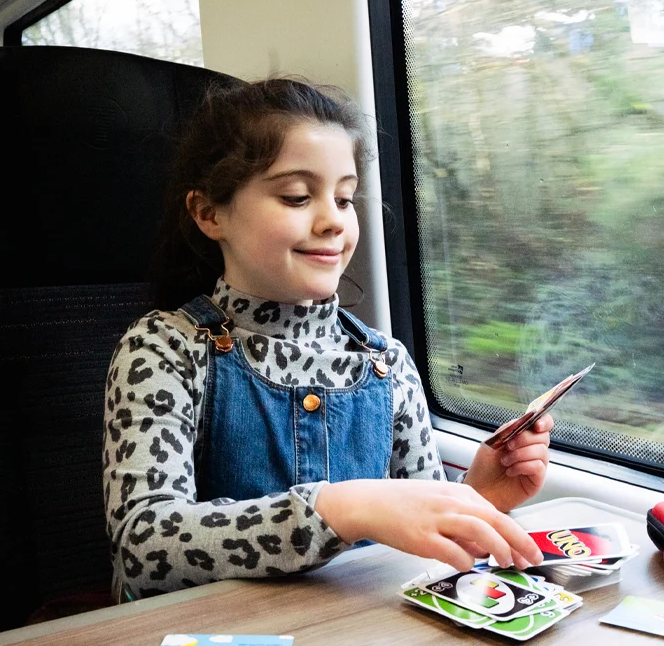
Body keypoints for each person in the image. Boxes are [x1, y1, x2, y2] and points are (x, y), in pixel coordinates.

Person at [103, 78, 548, 600]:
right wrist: (340, 510)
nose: (333, 221)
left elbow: (417, 549)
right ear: (209, 213)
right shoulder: (163, 350)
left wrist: (478, 497)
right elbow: (143, 547)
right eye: (296, 197)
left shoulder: (386, 362)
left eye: (343, 198)